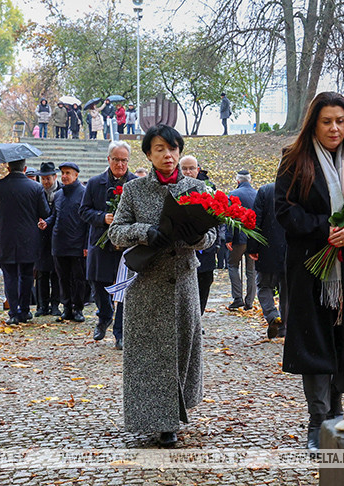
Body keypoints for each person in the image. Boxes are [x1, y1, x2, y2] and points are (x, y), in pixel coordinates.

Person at [274, 92, 344, 450]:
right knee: (315, 343)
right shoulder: (295, 159)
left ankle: (335, 400)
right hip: (313, 269)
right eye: (327, 121)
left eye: (340, 121)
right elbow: (284, 211)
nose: (334, 128)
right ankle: (318, 420)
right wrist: (325, 227)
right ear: (314, 122)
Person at [107, 124, 216, 448]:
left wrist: (197, 236)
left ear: (179, 151)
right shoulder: (135, 190)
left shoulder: (199, 188)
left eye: (172, 149)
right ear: (149, 154)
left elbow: (211, 237)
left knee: (181, 352)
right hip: (146, 287)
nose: (167, 155)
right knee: (148, 356)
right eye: (159, 149)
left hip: (183, 283)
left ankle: (172, 418)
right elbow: (116, 233)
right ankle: (158, 420)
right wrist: (144, 231)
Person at [80, 141, 137, 349]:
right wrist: (102, 217)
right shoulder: (95, 183)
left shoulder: (135, 183)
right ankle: (104, 316)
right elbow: (83, 211)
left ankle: (120, 332)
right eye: (116, 159)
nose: (120, 164)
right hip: (100, 243)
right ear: (108, 159)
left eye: (123, 160)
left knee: (124, 290)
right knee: (98, 283)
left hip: (125, 246)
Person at [0, 159, 50, 325]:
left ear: (8, 168)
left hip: (5, 238)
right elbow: (44, 211)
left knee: (10, 276)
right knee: (27, 275)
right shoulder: (35, 187)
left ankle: (14, 312)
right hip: (28, 238)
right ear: (25, 168)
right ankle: (25, 310)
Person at [39, 162, 87, 323]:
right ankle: (66, 308)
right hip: (59, 243)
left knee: (79, 278)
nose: (64, 176)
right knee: (62, 278)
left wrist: (86, 245)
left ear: (76, 175)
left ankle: (78, 308)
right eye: (63, 173)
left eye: (68, 173)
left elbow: (88, 221)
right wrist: (46, 223)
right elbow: (54, 215)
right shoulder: (58, 195)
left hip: (77, 243)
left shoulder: (84, 194)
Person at [248, 182, 287, 338]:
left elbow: (255, 220)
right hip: (290, 249)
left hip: (267, 247)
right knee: (286, 290)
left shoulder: (265, 191)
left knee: (264, 285)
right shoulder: (295, 189)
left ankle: (272, 315)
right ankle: (283, 327)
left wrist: (253, 247)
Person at [179, 155, 218, 315]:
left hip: (205, 249)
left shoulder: (209, 189)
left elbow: (217, 219)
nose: (188, 172)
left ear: (198, 169)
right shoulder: (173, 188)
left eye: (191, 168)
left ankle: (198, 317)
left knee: (204, 283)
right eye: (184, 169)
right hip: (182, 251)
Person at [225, 169, 257, 310]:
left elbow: (229, 218)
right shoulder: (257, 194)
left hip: (238, 238)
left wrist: (228, 238)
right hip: (253, 237)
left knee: (233, 266)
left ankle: (237, 298)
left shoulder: (232, 194)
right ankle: (250, 301)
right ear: (250, 180)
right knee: (251, 271)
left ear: (237, 181)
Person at [34, 162, 62, 316]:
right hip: (41, 238)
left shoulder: (62, 191)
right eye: (43, 179)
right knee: (41, 274)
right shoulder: (38, 192)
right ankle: (42, 305)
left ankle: (55, 304)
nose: (45, 182)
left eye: (48, 179)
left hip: (57, 237)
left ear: (54, 177)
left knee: (56, 273)